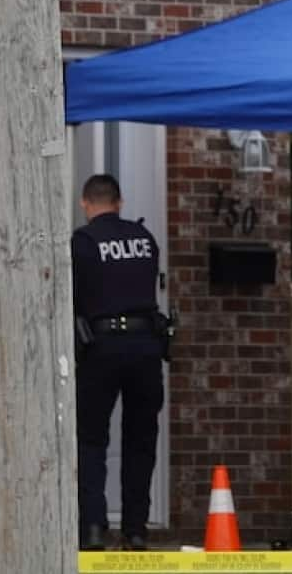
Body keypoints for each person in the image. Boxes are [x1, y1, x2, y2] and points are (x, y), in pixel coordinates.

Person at [72, 174, 166, 552]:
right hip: (145, 346)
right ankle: (136, 530)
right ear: (120, 201)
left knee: (92, 440)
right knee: (141, 441)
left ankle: (94, 529)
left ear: (85, 203)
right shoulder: (145, 240)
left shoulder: (82, 242)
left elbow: (74, 295)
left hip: (101, 347)